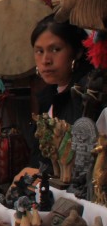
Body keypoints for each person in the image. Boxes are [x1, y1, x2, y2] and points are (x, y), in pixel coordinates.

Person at [15, 15, 94, 179]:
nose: (45, 60)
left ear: (77, 51)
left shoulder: (87, 96)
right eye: (39, 51)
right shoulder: (47, 97)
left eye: (55, 49)